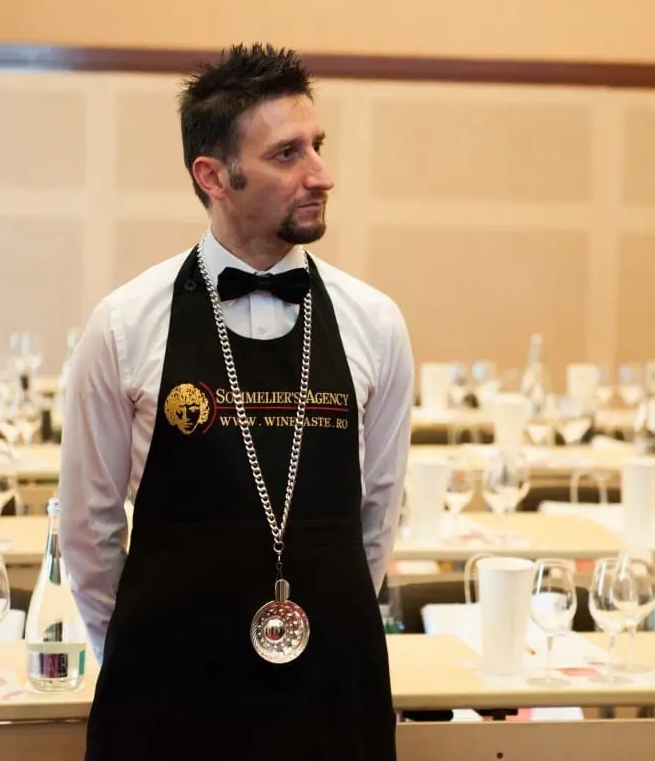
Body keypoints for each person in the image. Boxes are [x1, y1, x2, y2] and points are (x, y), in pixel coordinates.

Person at [59, 42, 414, 761]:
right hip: (167, 692)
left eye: (317, 146)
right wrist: (142, 651)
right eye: (287, 154)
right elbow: (88, 534)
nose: (322, 174)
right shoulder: (124, 325)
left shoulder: (376, 323)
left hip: (331, 688)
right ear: (214, 175)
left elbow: (377, 519)